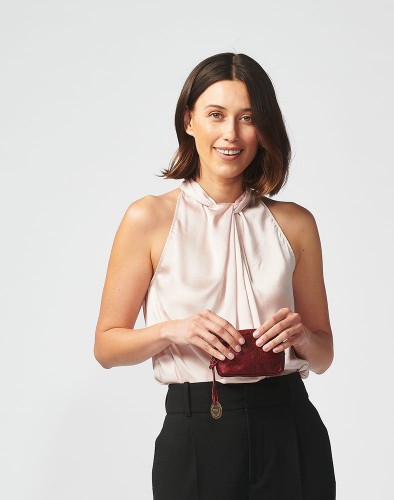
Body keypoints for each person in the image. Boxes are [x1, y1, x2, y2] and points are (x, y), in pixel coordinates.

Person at [94, 52, 336, 500]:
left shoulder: (296, 223)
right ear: (189, 120)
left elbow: (323, 356)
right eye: (216, 114)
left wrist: (301, 335)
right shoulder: (149, 218)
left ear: (264, 128)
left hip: (289, 425)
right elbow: (106, 347)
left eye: (248, 118)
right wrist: (174, 330)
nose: (231, 134)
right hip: (197, 432)